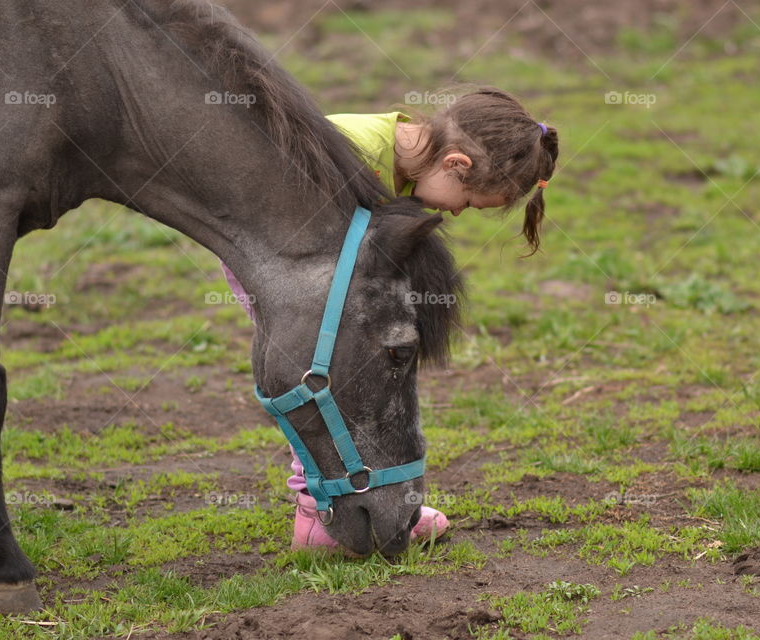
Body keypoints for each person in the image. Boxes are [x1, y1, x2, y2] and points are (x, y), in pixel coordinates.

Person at [221, 87, 559, 553]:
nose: (456, 211)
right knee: (324, 378)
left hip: (300, 264)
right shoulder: (349, 152)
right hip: (276, 266)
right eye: (468, 200)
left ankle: (355, 496)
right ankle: (318, 513)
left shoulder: (399, 153)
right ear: (456, 164)